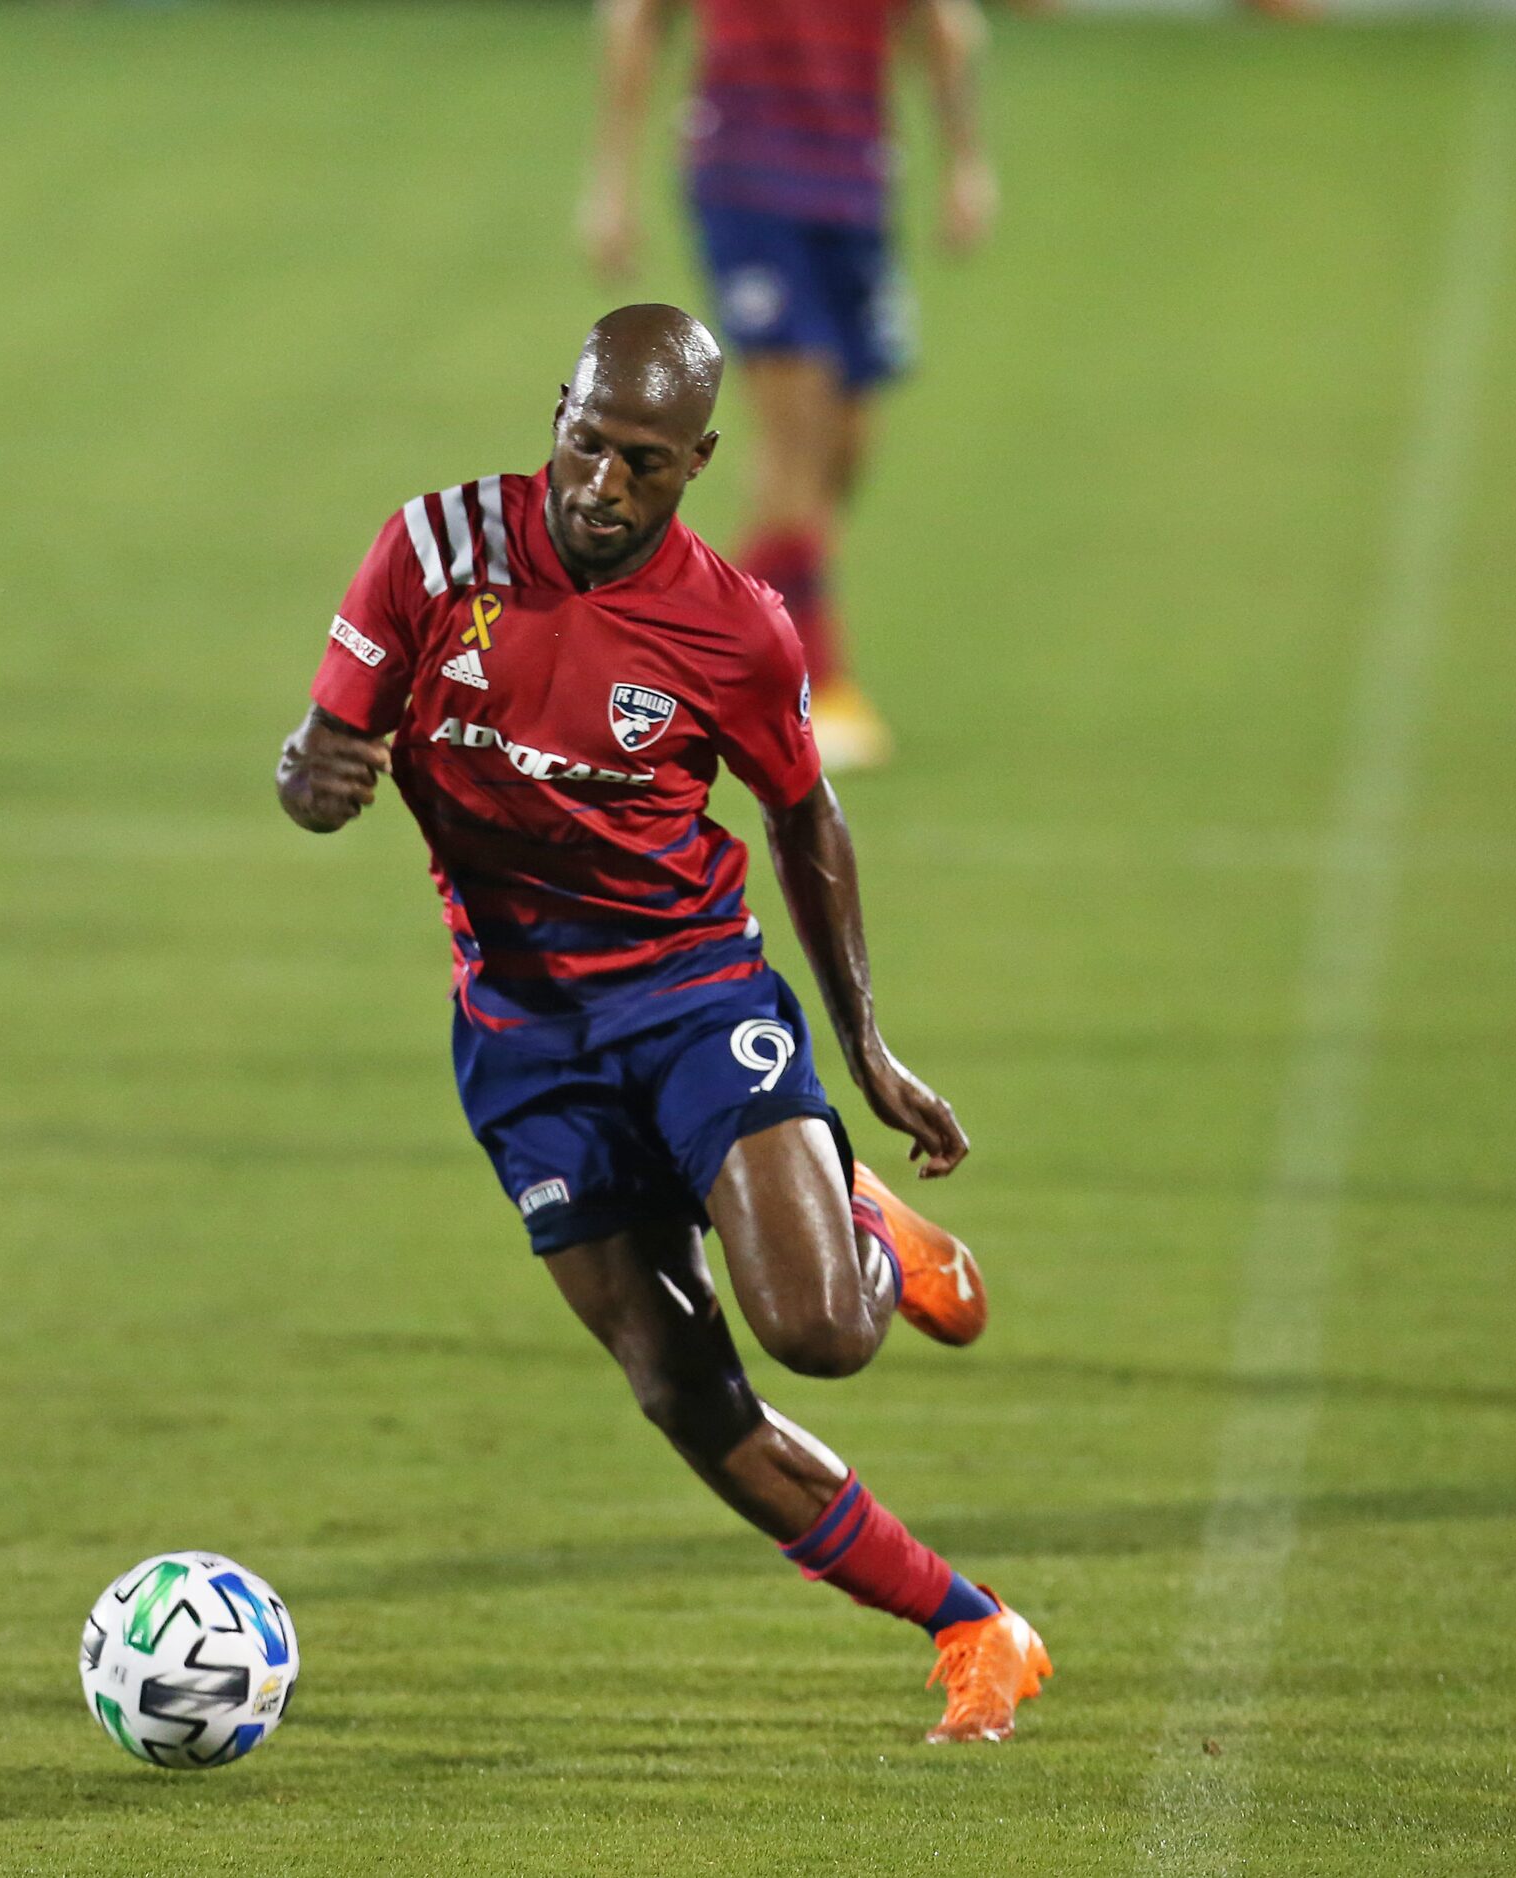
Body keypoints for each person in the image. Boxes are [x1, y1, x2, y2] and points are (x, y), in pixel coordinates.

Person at [275, 305, 1049, 1743]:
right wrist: (310, 777)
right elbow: (324, 750)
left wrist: (867, 1046)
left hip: (690, 991)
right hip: (519, 1035)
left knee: (818, 1332)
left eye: (643, 462)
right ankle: (974, 1623)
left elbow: (806, 820)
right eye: (585, 443)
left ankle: (863, 1223)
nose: (603, 486)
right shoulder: (431, 553)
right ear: (554, 411)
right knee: (677, 1386)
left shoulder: (734, 628)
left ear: (696, 460)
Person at [582, 0, 992, 771]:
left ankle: (677, 642)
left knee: (842, 453)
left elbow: (941, 26)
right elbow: (634, 18)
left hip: (855, 183)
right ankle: (811, 683)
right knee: (793, 430)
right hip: (745, 182)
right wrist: (611, 184)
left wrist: (964, 161)